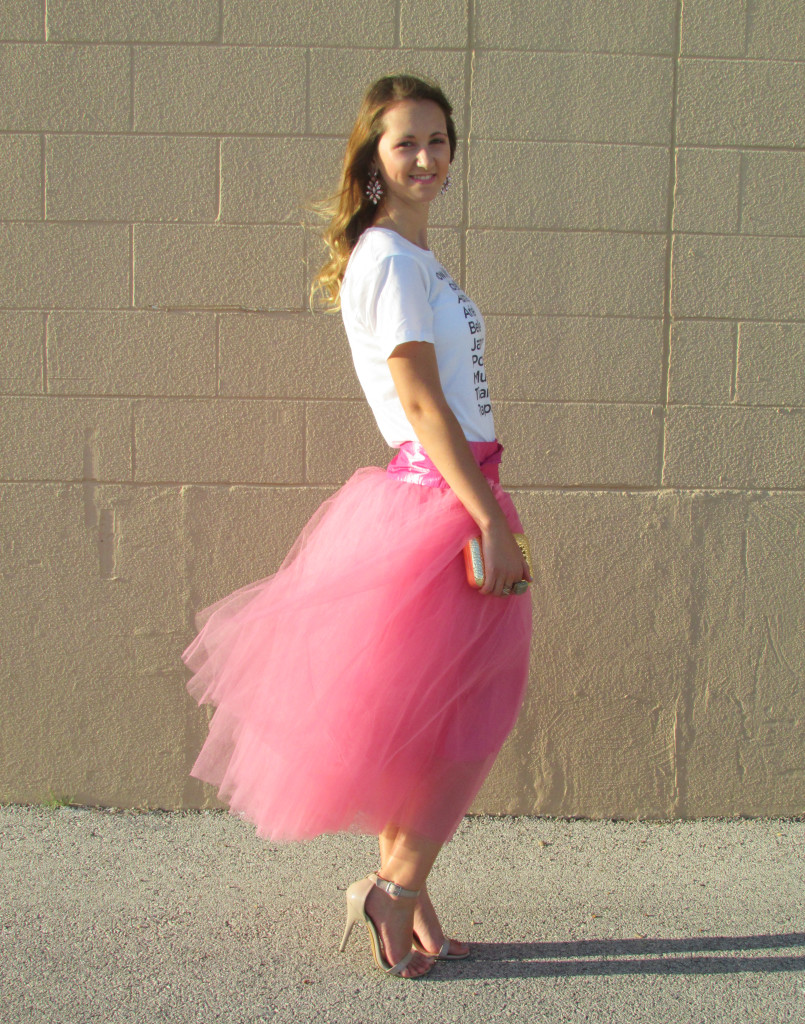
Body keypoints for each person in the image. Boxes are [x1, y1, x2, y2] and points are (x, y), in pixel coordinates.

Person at [182, 74, 533, 979]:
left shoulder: (410, 260)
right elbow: (418, 398)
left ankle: (403, 893)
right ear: (373, 162)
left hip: (441, 495)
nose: (424, 156)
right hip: (443, 503)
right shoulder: (389, 260)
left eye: (437, 140)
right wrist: (486, 515)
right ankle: (394, 888)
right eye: (404, 142)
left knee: (431, 715)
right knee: (474, 718)